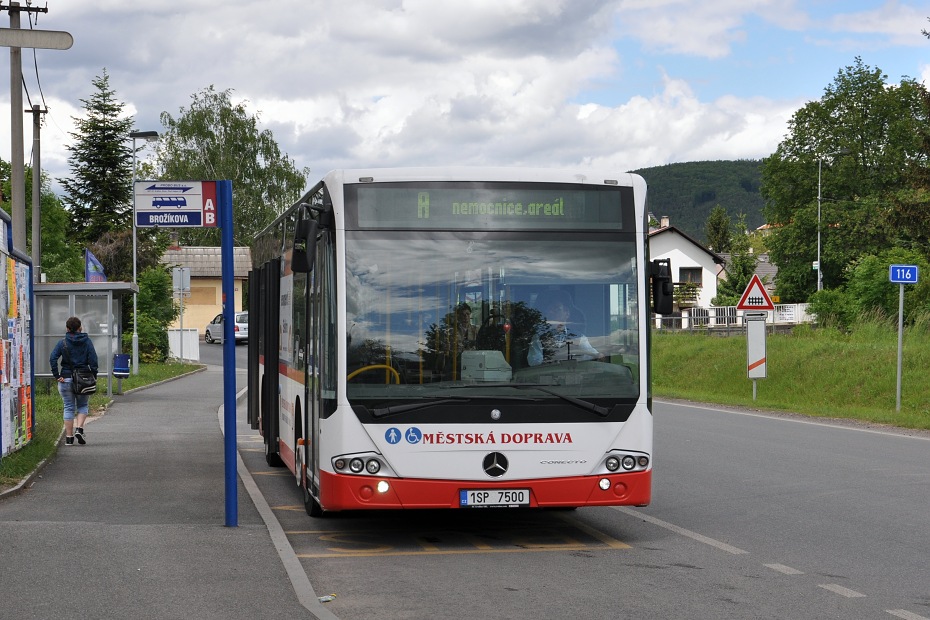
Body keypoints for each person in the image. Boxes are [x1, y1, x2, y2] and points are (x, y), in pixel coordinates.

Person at [50, 316, 99, 446]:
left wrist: (56, 375)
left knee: (68, 407)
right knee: (83, 405)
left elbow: (53, 358)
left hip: (65, 378)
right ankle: (80, 428)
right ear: (80, 328)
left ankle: (69, 438)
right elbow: (93, 360)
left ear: (67, 328)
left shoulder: (62, 343)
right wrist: (93, 375)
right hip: (83, 379)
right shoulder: (87, 341)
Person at [527, 289, 599, 366]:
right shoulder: (538, 337)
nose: (551, 312)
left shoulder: (579, 337)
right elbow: (534, 363)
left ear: (567, 313)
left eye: (556, 309)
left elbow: (593, 356)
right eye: (549, 310)